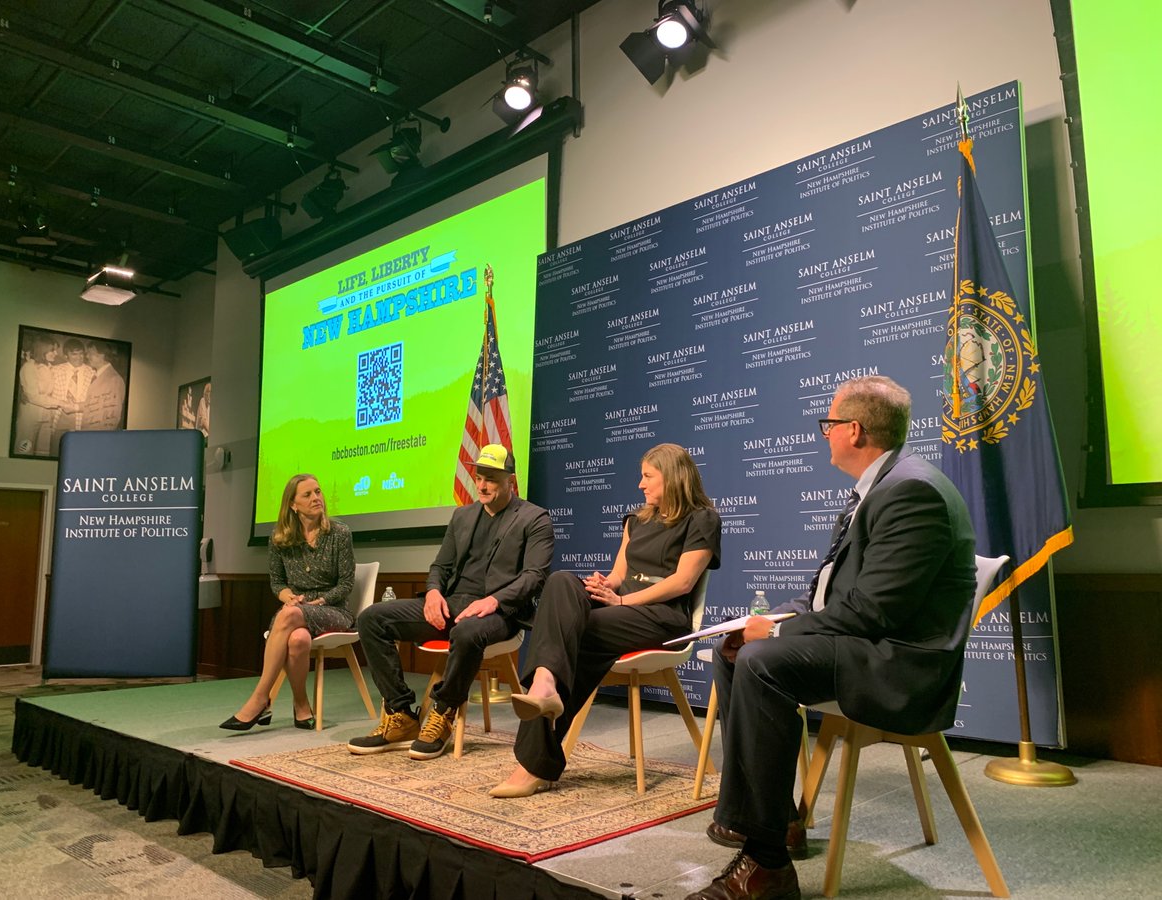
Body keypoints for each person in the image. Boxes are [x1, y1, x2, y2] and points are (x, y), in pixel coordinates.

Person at [686, 375, 976, 900]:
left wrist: (775, 632)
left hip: (901, 664)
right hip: (872, 642)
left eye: (829, 424)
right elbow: (829, 596)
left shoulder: (910, 492)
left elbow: (874, 611)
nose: (823, 433)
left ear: (856, 430)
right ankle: (772, 820)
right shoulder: (881, 487)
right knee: (735, 651)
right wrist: (771, 620)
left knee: (760, 661)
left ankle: (767, 864)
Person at [491, 442, 722, 798]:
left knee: (573, 633)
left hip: (663, 619)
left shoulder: (702, 519)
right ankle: (545, 686)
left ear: (673, 478)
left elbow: (683, 581)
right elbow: (618, 573)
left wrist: (623, 599)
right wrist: (604, 585)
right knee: (561, 581)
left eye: (648, 477)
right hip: (620, 608)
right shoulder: (637, 519)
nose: (640, 485)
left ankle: (533, 762)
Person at [349, 444, 553, 760]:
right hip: (453, 603)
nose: (483, 486)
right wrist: (432, 592)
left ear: (510, 480)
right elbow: (440, 567)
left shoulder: (534, 518)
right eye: (479, 477)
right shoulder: (463, 515)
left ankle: (443, 711)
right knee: (371, 619)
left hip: (501, 612)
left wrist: (494, 601)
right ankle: (401, 713)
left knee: (468, 632)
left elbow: (534, 576)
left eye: (491, 479)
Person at [220, 473, 356, 731]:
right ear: (293, 505)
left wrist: (320, 601)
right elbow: (277, 583)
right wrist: (288, 597)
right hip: (295, 612)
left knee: (289, 616)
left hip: (333, 610)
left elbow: (346, 585)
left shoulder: (339, 533)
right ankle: (301, 705)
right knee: (298, 639)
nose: (316, 498)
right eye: (308, 494)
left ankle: (261, 698)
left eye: (318, 491)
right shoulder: (280, 538)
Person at [14, 335, 62, 456]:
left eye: (56, 350)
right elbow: (33, 396)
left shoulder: (51, 368)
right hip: (30, 417)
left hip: (47, 418)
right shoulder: (29, 368)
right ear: (42, 350)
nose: (55, 353)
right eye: (52, 350)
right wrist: (61, 403)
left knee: (43, 452)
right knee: (24, 452)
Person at [49, 338, 93, 456]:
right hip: (59, 418)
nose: (79, 357)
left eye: (81, 354)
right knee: (55, 453)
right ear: (66, 355)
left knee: (76, 455)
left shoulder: (92, 372)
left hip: (81, 420)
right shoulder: (55, 370)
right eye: (74, 354)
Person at [80, 341, 126, 431]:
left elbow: (111, 418)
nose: (87, 356)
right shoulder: (97, 375)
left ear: (102, 355)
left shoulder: (114, 380)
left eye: (90, 353)